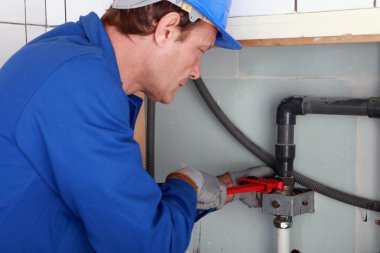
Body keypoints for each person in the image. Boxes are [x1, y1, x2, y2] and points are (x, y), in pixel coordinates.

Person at [0, 0, 274, 252]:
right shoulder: (79, 84)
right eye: (200, 50)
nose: (196, 71)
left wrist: (215, 188)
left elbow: (114, 206)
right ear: (166, 28)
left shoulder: (74, 58)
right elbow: (147, 245)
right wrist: (187, 183)